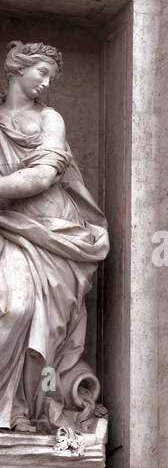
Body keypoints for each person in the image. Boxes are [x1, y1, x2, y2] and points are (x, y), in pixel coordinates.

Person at [0, 41, 108, 434]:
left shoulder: (51, 119)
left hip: (56, 234)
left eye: (52, 77)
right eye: (41, 72)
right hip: (10, 228)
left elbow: (43, 176)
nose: (46, 83)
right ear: (16, 68)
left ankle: (25, 411)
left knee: (37, 322)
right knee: (12, 310)